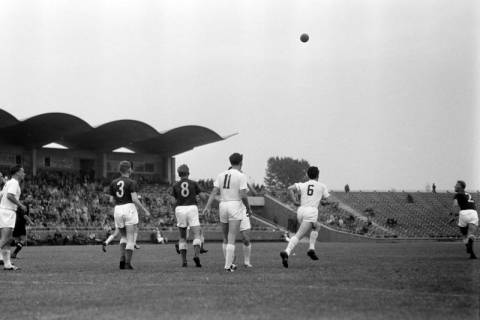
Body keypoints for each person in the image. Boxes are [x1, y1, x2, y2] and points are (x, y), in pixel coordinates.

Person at [203, 153, 252, 272]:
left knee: (225, 237)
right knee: (231, 237)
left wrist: (207, 206)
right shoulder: (241, 176)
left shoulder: (221, 175)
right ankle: (228, 266)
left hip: (223, 205)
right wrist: (248, 208)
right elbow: (243, 195)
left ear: (230, 162)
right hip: (235, 204)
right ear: (241, 162)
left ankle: (229, 263)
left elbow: (214, 192)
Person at [280, 166, 330, 268]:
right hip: (311, 211)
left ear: (307, 175)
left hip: (301, 211)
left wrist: (294, 200)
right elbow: (327, 200)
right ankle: (287, 252)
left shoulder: (303, 185)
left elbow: (290, 188)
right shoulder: (321, 186)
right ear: (318, 175)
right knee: (299, 235)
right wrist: (322, 201)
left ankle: (311, 249)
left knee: (317, 226)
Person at [109, 161, 150, 269]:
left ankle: (122, 260)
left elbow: (111, 200)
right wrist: (144, 210)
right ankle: (128, 263)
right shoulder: (131, 182)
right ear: (129, 170)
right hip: (129, 208)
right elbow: (135, 199)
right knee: (130, 238)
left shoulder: (113, 182)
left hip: (118, 208)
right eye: (131, 168)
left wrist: (119, 202)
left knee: (123, 236)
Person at [171, 164, 204, 267]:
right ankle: (196, 255)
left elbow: (172, 201)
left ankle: (184, 261)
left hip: (180, 209)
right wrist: (198, 197)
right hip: (192, 208)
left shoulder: (175, 185)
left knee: (182, 237)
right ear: (188, 173)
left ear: (179, 174)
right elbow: (202, 196)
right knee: (197, 234)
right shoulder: (194, 183)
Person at [0, 165, 26, 270]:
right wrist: (21, 205)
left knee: (8, 239)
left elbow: (2, 195)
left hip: (5, 211)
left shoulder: (9, 183)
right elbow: (9, 196)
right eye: (22, 171)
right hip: (7, 212)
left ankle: (7, 264)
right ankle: (7, 263)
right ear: (17, 173)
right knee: (5, 238)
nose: (24, 174)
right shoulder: (14, 183)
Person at [452, 180, 478, 259]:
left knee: (464, 235)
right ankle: (472, 254)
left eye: (456, 185)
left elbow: (455, 205)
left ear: (460, 186)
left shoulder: (457, 195)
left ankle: (467, 245)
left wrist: (454, 216)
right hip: (473, 213)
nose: (454, 186)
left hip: (464, 213)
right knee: (471, 234)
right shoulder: (468, 194)